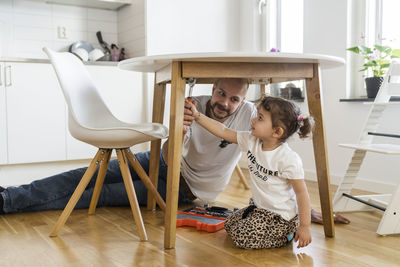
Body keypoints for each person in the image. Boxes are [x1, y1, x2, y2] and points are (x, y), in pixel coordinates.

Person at [0, 77, 349, 225]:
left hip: (186, 190)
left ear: (245, 100)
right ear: (212, 87)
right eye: (220, 92)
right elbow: (167, 158)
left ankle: (10, 201)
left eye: (234, 98)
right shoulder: (193, 103)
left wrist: (305, 212)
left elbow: (278, 170)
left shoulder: (250, 121)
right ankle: (10, 197)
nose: (223, 102)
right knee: (85, 175)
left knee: (99, 194)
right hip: (163, 164)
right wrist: (178, 132)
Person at [186, 95, 313, 249]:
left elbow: (301, 194)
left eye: (260, 118)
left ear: (277, 131)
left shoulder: (288, 159)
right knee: (229, 224)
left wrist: (304, 226)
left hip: (280, 218)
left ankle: (286, 235)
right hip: (259, 208)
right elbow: (223, 130)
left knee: (241, 237)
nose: (253, 120)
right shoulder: (251, 141)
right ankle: (266, 228)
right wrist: (197, 115)